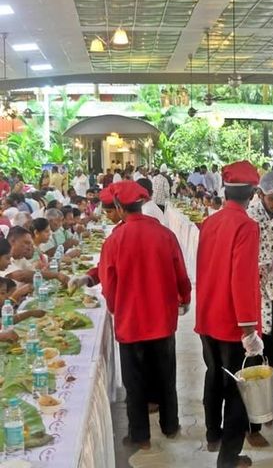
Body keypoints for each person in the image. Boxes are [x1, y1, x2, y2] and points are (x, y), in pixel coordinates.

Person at [99, 181, 191, 450]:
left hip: (131, 321)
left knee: (134, 380)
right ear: (141, 204)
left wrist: (116, 306)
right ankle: (170, 425)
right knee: (166, 374)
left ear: (118, 206)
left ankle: (140, 436)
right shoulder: (165, 235)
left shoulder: (114, 239)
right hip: (162, 319)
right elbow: (181, 275)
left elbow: (108, 282)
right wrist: (184, 299)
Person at [195, 160, 262, 468]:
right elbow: (243, 277)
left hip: (209, 313)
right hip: (232, 320)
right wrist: (249, 327)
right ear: (252, 193)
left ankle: (212, 434)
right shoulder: (246, 226)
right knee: (237, 389)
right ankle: (229, 457)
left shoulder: (210, 222)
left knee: (214, 376)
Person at [247, 170, 273, 447]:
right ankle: (252, 425)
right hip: (252, 296)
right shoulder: (250, 218)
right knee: (254, 359)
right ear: (260, 194)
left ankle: (265, 405)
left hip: (272, 293)